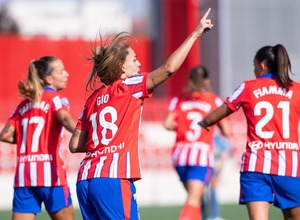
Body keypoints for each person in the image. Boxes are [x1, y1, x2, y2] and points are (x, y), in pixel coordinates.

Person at [68, 7, 213, 220]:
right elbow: (168, 69)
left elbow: (74, 145)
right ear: (121, 66)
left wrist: (103, 143)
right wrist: (195, 34)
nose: (139, 64)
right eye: (134, 60)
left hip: (85, 178)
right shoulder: (129, 86)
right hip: (113, 177)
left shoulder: (92, 99)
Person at [198, 44, 300, 220]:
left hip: (255, 166)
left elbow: (222, 110)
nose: (253, 69)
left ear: (261, 66)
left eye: (254, 65)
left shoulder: (247, 87)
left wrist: (205, 121)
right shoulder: (296, 89)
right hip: (289, 167)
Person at [0, 56, 76, 220]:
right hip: (51, 176)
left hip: (24, 177)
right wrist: (81, 132)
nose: (67, 74)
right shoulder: (54, 98)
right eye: (62, 71)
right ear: (49, 79)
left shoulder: (22, 105)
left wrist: (24, 141)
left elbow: (5, 135)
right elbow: (64, 118)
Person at [163, 65, 231, 220]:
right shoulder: (213, 100)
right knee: (194, 200)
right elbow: (226, 131)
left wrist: (182, 128)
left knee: (195, 200)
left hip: (180, 154)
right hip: (200, 154)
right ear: (207, 80)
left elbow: (167, 124)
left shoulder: (179, 99)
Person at [202, 134, 232, 220]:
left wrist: (220, 168)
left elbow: (223, 154)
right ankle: (203, 216)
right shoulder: (207, 137)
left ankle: (214, 216)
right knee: (201, 193)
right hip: (203, 166)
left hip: (212, 167)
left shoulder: (219, 139)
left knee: (212, 191)